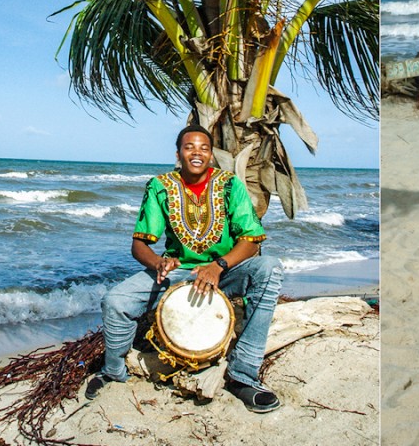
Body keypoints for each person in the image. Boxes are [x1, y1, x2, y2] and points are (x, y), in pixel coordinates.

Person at [85, 124, 284, 413]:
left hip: (224, 272)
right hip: (176, 273)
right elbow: (139, 244)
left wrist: (218, 266)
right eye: (189, 147)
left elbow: (251, 242)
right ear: (178, 153)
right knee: (115, 301)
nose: (197, 153)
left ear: (212, 155)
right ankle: (113, 370)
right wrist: (158, 263)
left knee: (269, 268)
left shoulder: (230, 185)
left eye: (204, 148)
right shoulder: (160, 186)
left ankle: (243, 376)